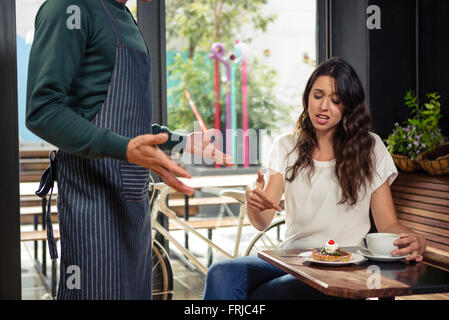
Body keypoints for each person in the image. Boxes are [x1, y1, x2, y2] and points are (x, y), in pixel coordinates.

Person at [26, 0, 232, 300]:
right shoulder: (68, 8)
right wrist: (123, 148)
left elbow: (127, 127)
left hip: (133, 207)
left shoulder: (125, 18)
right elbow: (42, 110)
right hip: (92, 208)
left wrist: (184, 143)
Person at [203, 57, 427, 300]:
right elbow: (262, 220)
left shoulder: (371, 148)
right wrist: (254, 202)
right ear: (307, 96)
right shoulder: (285, 146)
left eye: (336, 100)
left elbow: (387, 225)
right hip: (292, 258)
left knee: (266, 294)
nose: (324, 106)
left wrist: (415, 240)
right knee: (221, 273)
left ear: (348, 107)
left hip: (345, 264)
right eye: (318, 95)